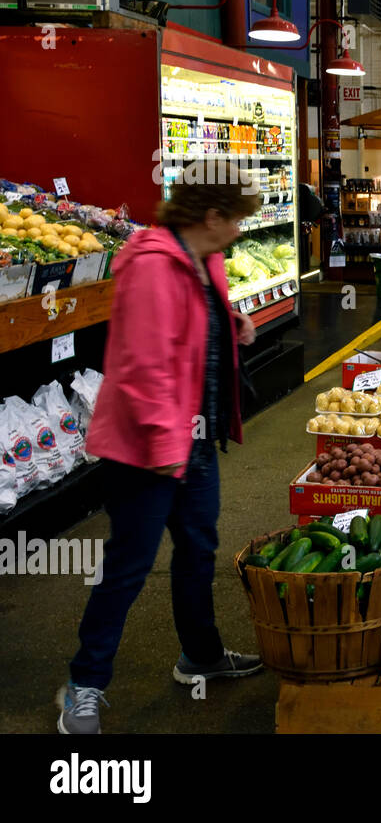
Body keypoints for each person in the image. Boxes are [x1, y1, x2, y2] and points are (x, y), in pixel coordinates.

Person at [60, 159, 263, 734]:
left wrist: (233, 320)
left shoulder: (205, 258)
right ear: (213, 215)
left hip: (192, 439)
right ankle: (83, 686)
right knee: (129, 565)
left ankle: (200, 656)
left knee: (198, 550)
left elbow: (194, 319)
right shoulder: (151, 265)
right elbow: (142, 366)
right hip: (147, 447)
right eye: (239, 219)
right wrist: (165, 447)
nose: (243, 230)